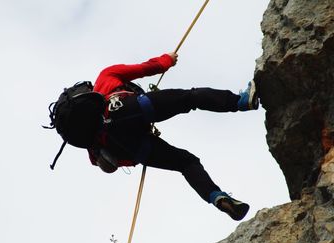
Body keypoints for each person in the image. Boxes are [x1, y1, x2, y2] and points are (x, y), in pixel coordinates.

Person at [61, 52, 258, 221]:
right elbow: (148, 67)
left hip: (135, 149)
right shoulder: (107, 76)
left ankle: (216, 196)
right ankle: (241, 102)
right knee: (191, 98)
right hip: (133, 109)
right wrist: (168, 59)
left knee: (185, 163)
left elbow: (104, 164)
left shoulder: (90, 133)